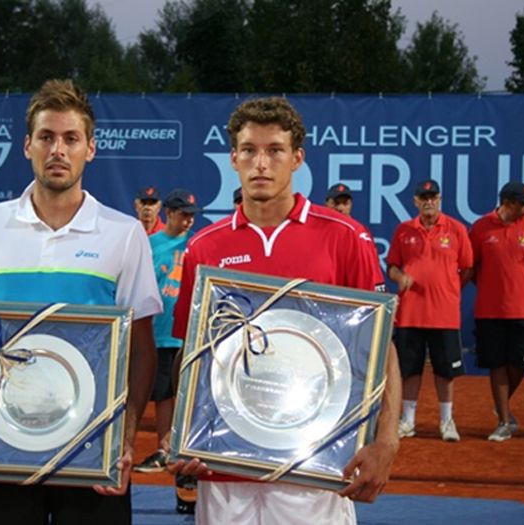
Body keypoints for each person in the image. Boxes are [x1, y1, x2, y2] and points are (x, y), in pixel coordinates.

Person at [167, 97, 401, 525]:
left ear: (297, 159)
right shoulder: (205, 246)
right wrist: (185, 434)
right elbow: (192, 357)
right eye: (249, 150)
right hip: (224, 471)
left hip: (315, 466)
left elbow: (380, 348)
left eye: (274, 150)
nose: (261, 163)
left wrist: (387, 441)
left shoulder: (345, 237)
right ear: (233, 158)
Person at [0, 79, 162, 524]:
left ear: (90, 149)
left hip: (91, 449)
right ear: (28, 146)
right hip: (1, 446)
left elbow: (141, 347)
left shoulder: (124, 233)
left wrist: (124, 438)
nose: (57, 150)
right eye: (46, 137)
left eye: (70, 139)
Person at [386, 179, 473, 442]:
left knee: (445, 371)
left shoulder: (456, 230)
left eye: (433, 197)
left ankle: (446, 421)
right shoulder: (404, 230)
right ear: (415, 201)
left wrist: (449, 288)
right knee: (410, 369)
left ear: (440, 199)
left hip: (444, 315)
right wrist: (400, 278)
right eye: (424, 197)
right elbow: (392, 267)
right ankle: (408, 420)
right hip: (411, 314)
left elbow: (467, 268)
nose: (428, 201)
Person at [134, 189, 200, 512]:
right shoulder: (150, 245)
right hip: (160, 334)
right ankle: (167, 457)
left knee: (188, 404)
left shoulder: (197, 245)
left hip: (188, 335)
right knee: (162, 397)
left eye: (191, 214)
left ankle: (187, 480)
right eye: (183, 213)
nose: (188, 219)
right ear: (170, 213)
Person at [470, 181, 524, 442]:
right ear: (507, 203)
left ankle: (500, 404)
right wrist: (492, 287)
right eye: (521, 203)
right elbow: (472, 268)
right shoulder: (481, 228)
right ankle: (504, 419)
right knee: (497, 364)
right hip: (490, 310)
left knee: (520, 364)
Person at [324, 183, 386, 292]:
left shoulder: (359, 231)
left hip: (351, 294)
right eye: (335, 203)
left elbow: (371, 269)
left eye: (345, 203)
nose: (340, 208)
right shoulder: (321, 232)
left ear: (351, 204)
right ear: (326, 204)